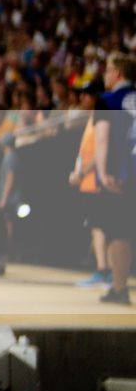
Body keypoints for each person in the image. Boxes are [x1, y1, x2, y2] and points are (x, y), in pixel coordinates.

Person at [91, 55, 136, 306]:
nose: (105, 75)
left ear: (117, 73)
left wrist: (103, 174)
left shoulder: (107, 101)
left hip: (120, 177)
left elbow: (102, 140)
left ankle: (119, 288)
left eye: (108, 70)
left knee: (118, 233)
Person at [68, 80, 109, 288]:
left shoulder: (101, 117)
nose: (82, 98)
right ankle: (102, 269)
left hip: (96, 182)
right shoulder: (92, 117)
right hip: (86, 181)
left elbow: (101, 151)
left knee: (99, 226)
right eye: (81, 94)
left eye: (87, 94)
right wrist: (77, 172)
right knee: (95, 226)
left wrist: (82, 172)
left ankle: (104, 271)